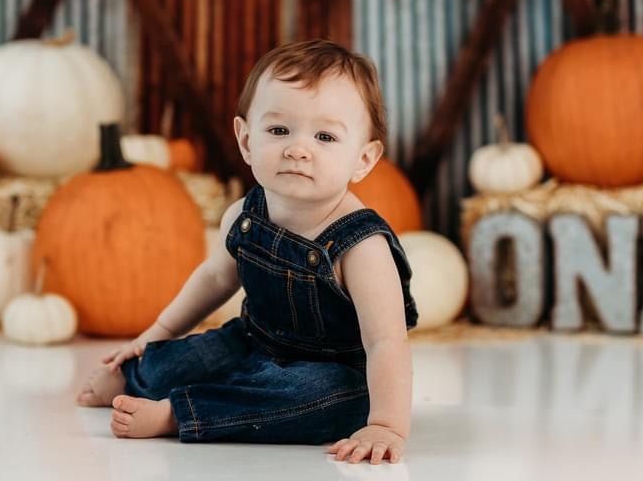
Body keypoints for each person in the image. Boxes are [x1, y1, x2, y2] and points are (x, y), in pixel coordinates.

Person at [77, 39, 418, 465]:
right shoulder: (245, 214)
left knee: (314, 397)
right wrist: (153, 337)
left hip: (335, 372)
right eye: (279, 130)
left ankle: (178, 415)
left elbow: (387, 342)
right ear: (246, 139)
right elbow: (215, 278)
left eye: (325, 136)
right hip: (252, 341)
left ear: (364, 159)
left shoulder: (362, 247)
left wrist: (386, 424)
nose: (298, 148)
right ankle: (137, 380)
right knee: (182, 361)